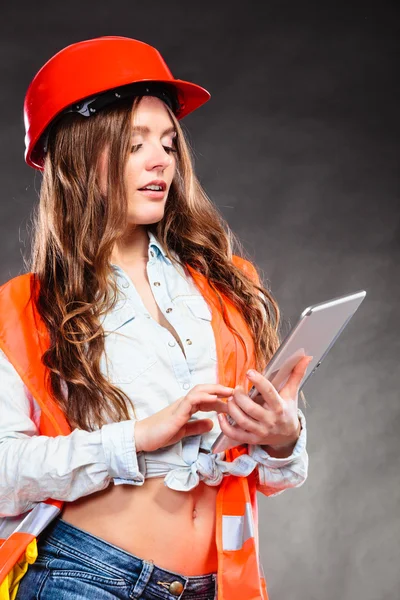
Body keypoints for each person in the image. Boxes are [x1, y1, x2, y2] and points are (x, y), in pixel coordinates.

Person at [0, 36, 310, 600]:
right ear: (75, 157)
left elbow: (263, 471)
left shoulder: (224, 285)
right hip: (82, 577)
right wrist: (136, 438)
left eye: (168, 142)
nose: (160, 160)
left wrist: (282, 438)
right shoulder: (21, 310)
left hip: (211, 586)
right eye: (134, 143)